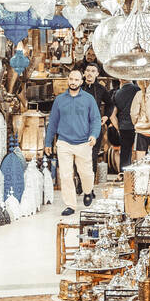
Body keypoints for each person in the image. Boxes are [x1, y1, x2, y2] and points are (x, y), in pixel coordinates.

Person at [45, 69, 102, 215]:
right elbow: (52, 122)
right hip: (64, 142)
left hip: (84, 142)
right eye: (71, 79)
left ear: (81, 82)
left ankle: (88, 191)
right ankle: (70, 205)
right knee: (65, 175)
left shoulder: (89, 99)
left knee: (86, 173)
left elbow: (96, 120)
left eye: (76, 80)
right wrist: (47, 143)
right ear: (67, 80)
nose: (73, 82)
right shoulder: (60, 100)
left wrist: (94, 135)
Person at [112, 80, 146, 170]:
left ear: (120, 79)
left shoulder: (117, 93)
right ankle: (139, 175)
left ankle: (124, 176)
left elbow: (112, 116)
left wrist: (118, 127)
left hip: (124, 127)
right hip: (139, 126)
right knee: (141, 152)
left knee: (125, 153)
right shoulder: (138, 90)